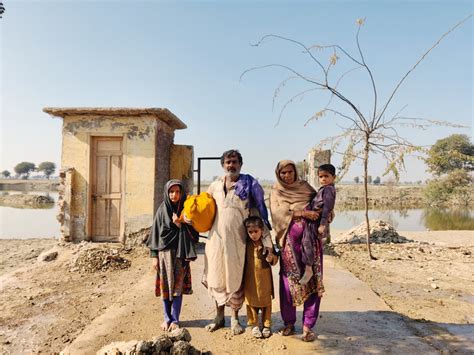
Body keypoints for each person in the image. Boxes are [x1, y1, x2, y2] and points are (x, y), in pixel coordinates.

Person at [203, 149, 273, 335]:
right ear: (223, 165)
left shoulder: (250, 185)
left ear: (241, 164)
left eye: (234, 162)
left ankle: (234, 318)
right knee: (217, 276)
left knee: (235, 278)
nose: (231, 165)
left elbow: (259, 214)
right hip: (216, 242)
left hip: (238, 242)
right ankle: (219, 317)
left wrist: (267, 243)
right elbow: (203, 209)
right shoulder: (215, 185)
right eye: (227, 162)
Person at [269, 160, 328, 342]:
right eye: (283, 173)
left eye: (290, 172)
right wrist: (302, 213)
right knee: (288, 283)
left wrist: (325, 214)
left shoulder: (306, 188)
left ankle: (308, 326)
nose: (287, 175)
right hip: (289, 244)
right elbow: (277, 214)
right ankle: (288, 322)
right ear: (279, 174)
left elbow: (320, 204)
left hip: (312, 245)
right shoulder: (276, 191)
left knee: (312, 280)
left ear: (295, 172)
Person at [146, 180, 200, 332]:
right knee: (165, 287)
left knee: (177, 288)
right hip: (164, 254)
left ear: (181, 193)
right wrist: (153, 256)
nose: (174, 195)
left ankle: (175, 320)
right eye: (171, 192)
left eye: (177, 192)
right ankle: (166, 319)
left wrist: (180, 225)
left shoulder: (186, 210)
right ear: (167, 193)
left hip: (180, 254)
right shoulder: (162, 210)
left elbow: (194, 235)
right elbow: (155, 235)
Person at [299, 163, 337, 285]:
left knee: (307, 243)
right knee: (305, 242)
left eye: (326, 176)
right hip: (312, 221)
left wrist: (322, 224)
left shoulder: (329, 190)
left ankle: (309, 268)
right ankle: (307, 266)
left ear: (334, 177)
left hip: (317, 223)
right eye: (321, 177)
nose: (323, 179)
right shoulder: (324, 189)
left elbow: (327, 208)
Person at [243, 216, 278, 339]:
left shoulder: (267, 244)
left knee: (265, 301)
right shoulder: (245, 244)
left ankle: (266, 325)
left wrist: (271, 258)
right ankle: (254, 325)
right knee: (251, 301)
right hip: (250, 278)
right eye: (250, 232)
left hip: (265, 279)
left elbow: (275, 259)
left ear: (262, 230)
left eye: (256, 231)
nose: (253, 235)